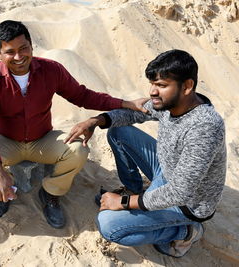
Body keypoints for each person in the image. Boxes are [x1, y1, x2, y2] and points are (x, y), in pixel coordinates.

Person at [0, 20, 147, 228]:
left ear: (31, 45)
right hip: (7, 141)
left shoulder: (51, 70)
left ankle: (49, 194)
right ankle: (3, 191)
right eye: (10, 52)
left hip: (42, 139)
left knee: (78, 151)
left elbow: (82, 96)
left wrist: (125, 103)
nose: (19, 57)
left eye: (23, 48)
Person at [65, 49, 226, 257]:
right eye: (152, 84)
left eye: (161, 85)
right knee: (119, 131)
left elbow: (180, 192)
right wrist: (96, 121)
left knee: (109, 226)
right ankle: (133, 189)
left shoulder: (205, 127)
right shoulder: (173, 102)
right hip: (166, 171)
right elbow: (134, 114)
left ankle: (185, 231)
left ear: (187, 86)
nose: (152, 92)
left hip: (187, 203)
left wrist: (122, 204)